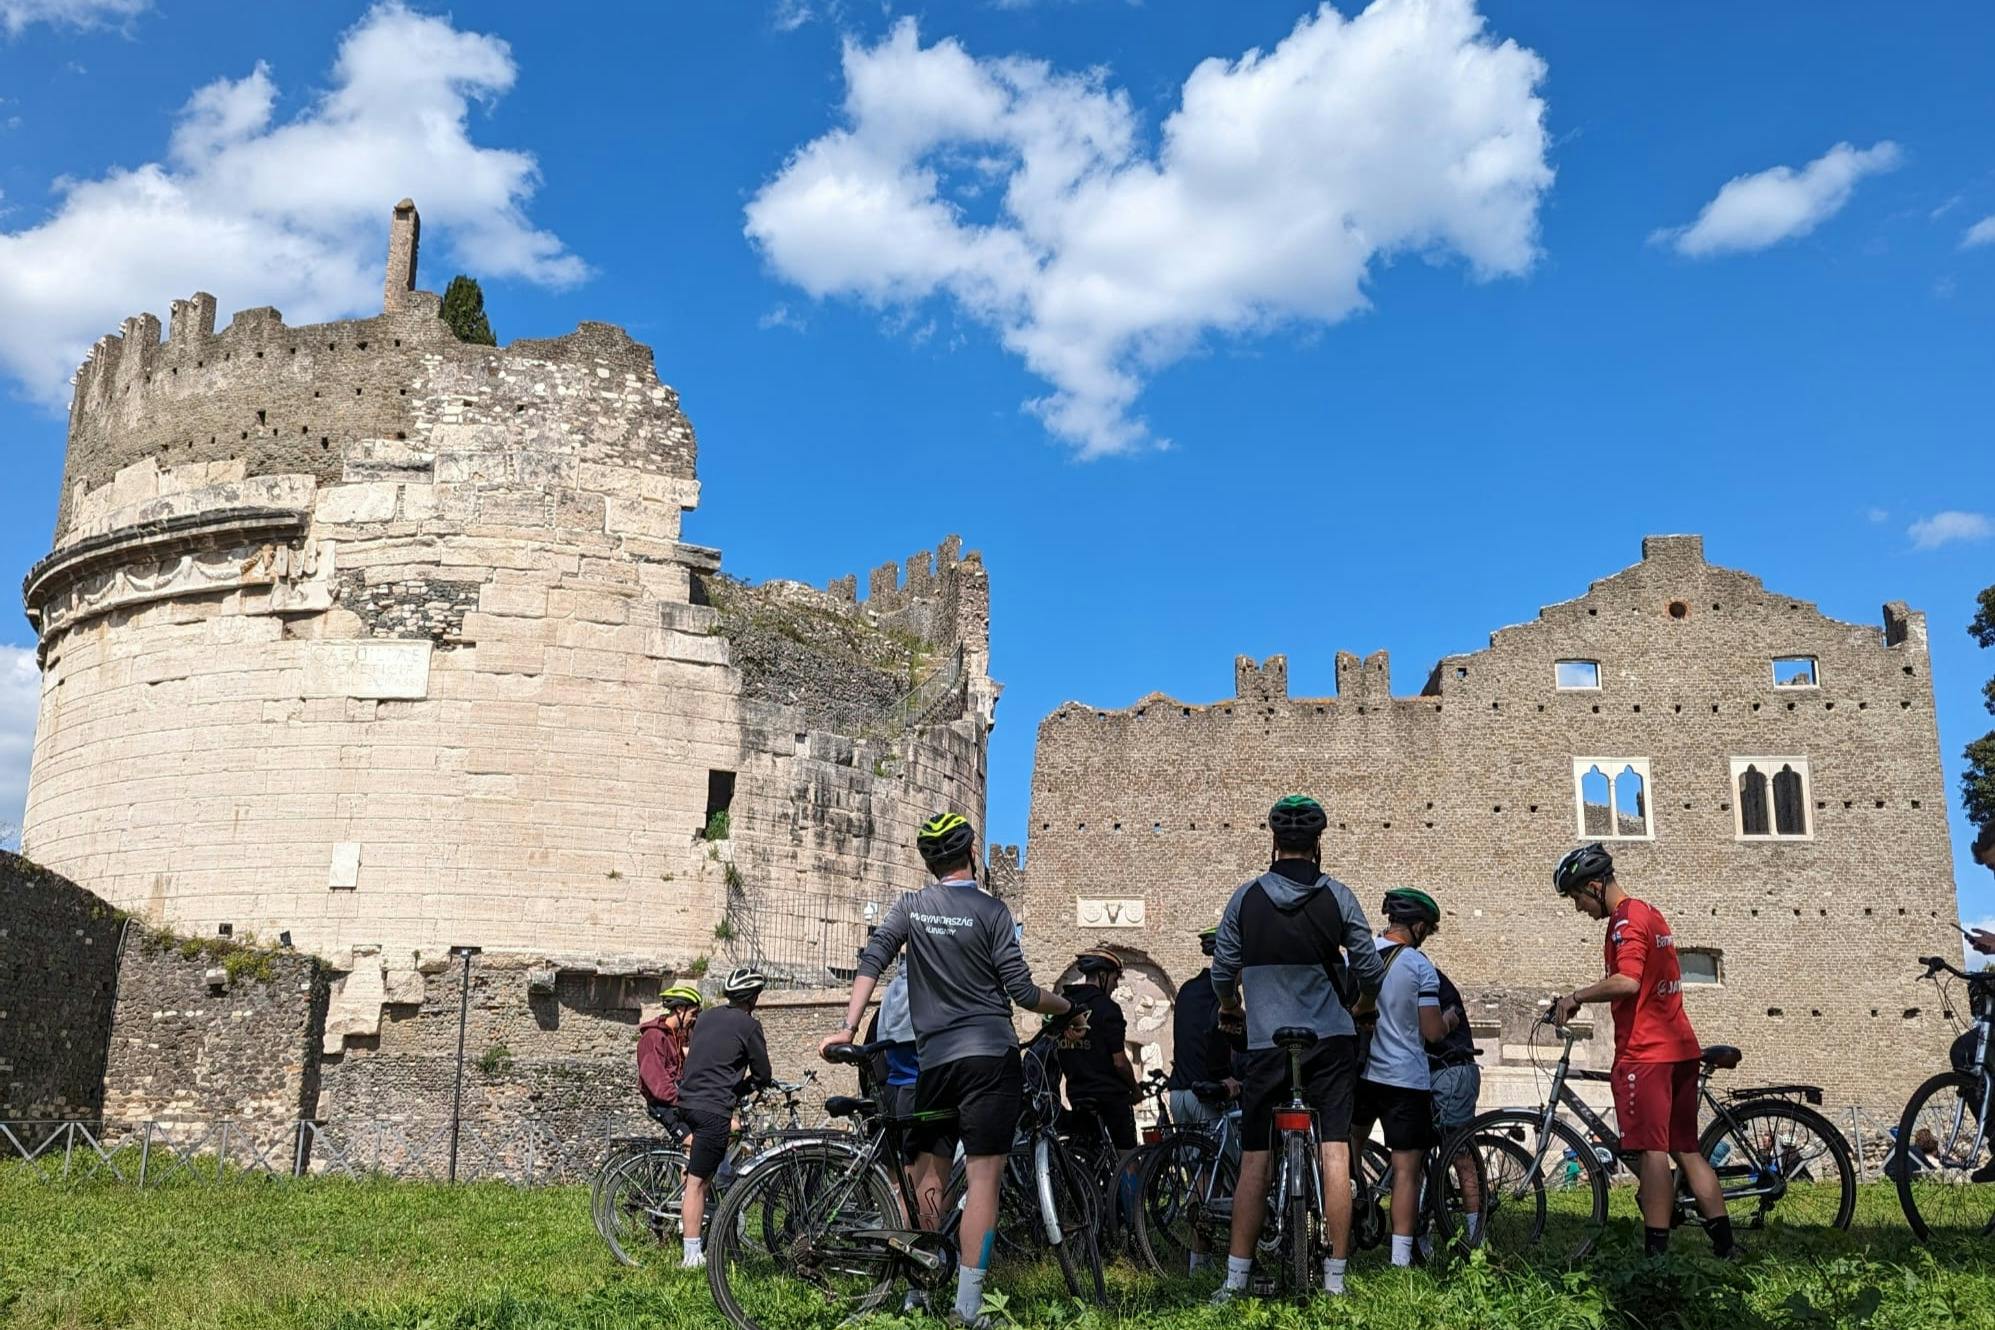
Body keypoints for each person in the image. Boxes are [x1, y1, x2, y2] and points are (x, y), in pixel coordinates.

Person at [825, 812, 1075, 1330]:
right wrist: (1067, 1007)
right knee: (983, 1180)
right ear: (972, 856)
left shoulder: (911, 907)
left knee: (929, 1173)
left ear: (929, 863)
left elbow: (873, 959)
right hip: (990, 1057)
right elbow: (1022, 991)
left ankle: (918, 1290)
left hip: (934, 1061)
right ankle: (967, 1308)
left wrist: (848, 1029)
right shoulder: (993, 911)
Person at [1210, 794, 1385, 1301]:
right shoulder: (1339, 897)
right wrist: (1362, 1005)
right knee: (1335, 1152)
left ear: (1274, 842)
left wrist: (1231, 1007)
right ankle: (1335, 1280)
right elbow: (1370, 970)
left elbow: (1222, 973)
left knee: (1255, 1160)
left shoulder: (1245, 899)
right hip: (1329, 1041)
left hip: (1267, 1042)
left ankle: (1235, 1279)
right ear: (1317, 844)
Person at [1550, 843, 1737, 1259]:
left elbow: (1628, 980)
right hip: (1680, 1047)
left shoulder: (1625, 921)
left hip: (1647, 1052)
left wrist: (1576, 996)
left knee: (1653, 1152)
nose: (1579, 908)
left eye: (1577, 897)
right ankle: (1726, 1247)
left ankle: (1655, 1257)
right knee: (1686, 1149)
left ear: (1594, 886)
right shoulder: (1649, 912)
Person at [1353, 887, 1457, 1268]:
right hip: (1406, 1081)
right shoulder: (1418, 965)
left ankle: (1351, 1218)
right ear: (1418, 926)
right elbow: (1432, 1031)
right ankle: (1399, 1259)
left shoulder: (1359, 955)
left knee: (1347, 1153)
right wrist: (1449, 1021)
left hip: (1362, 1075)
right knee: (1406, 1173)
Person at [676, 966, 772, 1269]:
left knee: (704, 1170)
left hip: (687, 1101)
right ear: (753, 998)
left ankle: (719, 1235)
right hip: (712, 1109)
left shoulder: (705, 1017)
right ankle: (692, 1256)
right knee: (698, 1183)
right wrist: (740, 1089)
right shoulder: (749, 1026)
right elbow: (763, 1075)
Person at [1425, 959, 1483, 1247]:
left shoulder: (1423, 976)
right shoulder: (1422, 973)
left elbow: (1431, 1031)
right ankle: (1420, 1237)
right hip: (1436, 1071)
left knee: (1460, 1155)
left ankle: (1475, 1238)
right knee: (1420, 1156)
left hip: (1450, 1070)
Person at [1059, 948, 1140, 1152]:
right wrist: (1135, 1089)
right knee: (1127, 1155)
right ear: (1103, 975)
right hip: (1110, 1095)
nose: (1115, 985)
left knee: (1089, 1152)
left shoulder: (1064, 1005)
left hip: (1077, 1093)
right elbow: (1119, 1062)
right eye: (1115, 979)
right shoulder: (1107, 1008)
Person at [1167, 925, 1241, 1127]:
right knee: (1227, 1148)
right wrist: (1224, 1075)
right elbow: (1217, 1032)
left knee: (1186, 1148)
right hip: (1204, 1093)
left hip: (1179, 1093)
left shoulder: (1187, 988)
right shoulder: (1224, 993)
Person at [636, 983, 704, 1144]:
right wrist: (683, 1100)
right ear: (679, 1009)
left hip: (677, 1098)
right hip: (663, 1104)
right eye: (693, 1014)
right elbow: (657, 1082)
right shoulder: (653, 1037)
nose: (694, 1019)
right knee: (695, 1144)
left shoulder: (674, 1036)